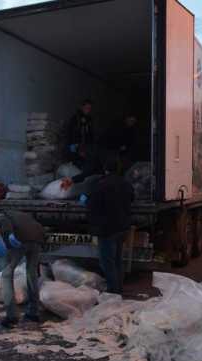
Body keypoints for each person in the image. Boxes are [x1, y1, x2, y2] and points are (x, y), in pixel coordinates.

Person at [87, 156, 134, 295]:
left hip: (107, 229)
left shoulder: (100, 184)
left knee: (107, 262)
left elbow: (92, 205)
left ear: (105, 169)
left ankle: (113, 292)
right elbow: (132, 198)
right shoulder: (125, 183)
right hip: (122, 227)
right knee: (118, 260)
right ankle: (119, 288)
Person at [0, 211, 44, 328]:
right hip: (37, 241)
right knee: (31, 273)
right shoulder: (22, 215)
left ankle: (11, 316)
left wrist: (9, 235)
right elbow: (39, 227)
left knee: (6, 274)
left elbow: (4, 223)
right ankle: (34, 312)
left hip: (20, 241)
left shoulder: (0, 215)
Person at [65, 99, 94, 169]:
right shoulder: (75, 118)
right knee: (76, 163)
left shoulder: (89, 119)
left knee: (85, 163)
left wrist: (90, 145)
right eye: (86, 108)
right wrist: (76, 148)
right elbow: (71, 134)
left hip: (86, 146)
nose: (88, 110)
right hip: (76, 146)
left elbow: (89, 133)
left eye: (90, 108)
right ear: (82, 107)